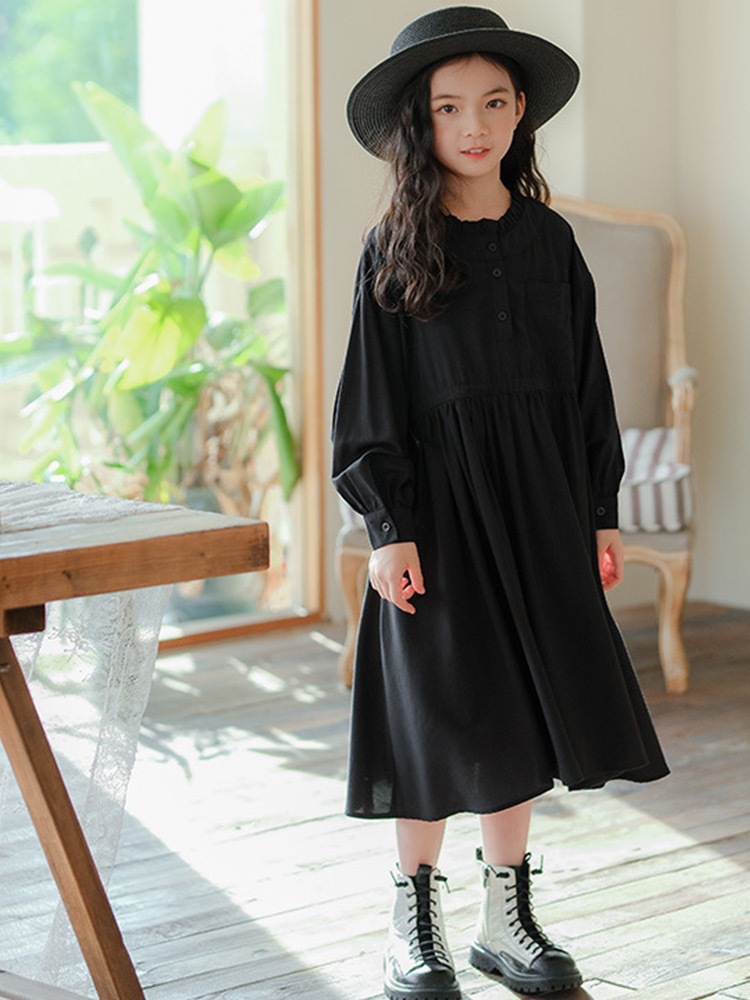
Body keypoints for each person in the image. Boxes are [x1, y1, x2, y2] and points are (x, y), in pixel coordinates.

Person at [331, 7, 670, 999]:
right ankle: (412, 917)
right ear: (420, 122)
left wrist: (599, 509)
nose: (472, 125)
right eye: (449, 108)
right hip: (435, 519)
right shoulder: (395, 245)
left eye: (491, 103)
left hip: (540, 506)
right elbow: (369, 400)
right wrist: (388, 527)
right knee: (439, 707)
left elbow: (586, 386)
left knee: (517, 706)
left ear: (521, 110)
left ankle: (504, 916)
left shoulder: (550, 242)